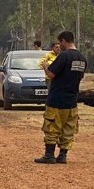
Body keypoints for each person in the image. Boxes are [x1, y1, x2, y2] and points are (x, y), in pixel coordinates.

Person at [35, 31, 88, 164]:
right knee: (68, 129)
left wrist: (45, 66)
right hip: (72, 101)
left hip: (57, 99)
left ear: (64, 41)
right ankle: (63, 155)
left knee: (52, 127)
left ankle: (49, 155)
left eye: (60, 43)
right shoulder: (82, 58)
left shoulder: (64, 56)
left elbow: (51, 74)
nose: (60, 46)